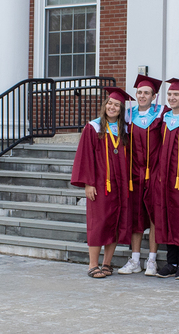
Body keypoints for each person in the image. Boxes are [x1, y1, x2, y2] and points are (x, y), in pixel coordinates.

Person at [71, 87, 134, 278]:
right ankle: (93, 265)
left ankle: (107, 264)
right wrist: (88, 183)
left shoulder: (124, 130)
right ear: (105, 105)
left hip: (120, 184)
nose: (112, 107)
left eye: (117, 105)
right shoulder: (93, 127)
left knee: (114, 222)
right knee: (98, 223)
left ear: (121, 110)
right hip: (100, 184)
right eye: (110, 103)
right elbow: (85, 157)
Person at [118, 74, 165, 276]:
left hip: (155, 172)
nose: (142, 96)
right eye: (139, 92)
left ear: (154, 96)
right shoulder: (128, 115)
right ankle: (135, 260)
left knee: (154, 216)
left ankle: (152, 260)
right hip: (134, 173)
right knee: (136, 216)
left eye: (146, 93)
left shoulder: (162, 114)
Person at [152, 78, 179, 279]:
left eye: (176, 94)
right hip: (165, 176)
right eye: (169, 94)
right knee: (167, 215)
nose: (172, 97)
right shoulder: (165, 118)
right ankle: (171, 262)